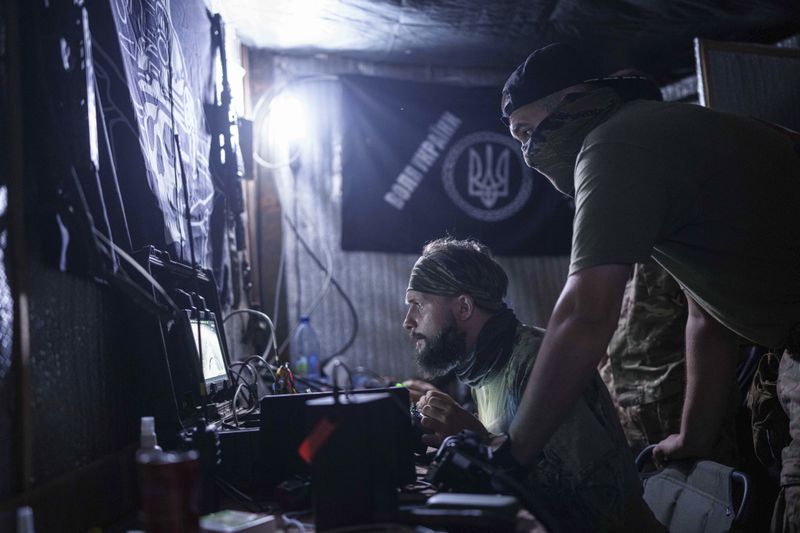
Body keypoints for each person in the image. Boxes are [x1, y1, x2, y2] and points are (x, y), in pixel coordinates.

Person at [499, 42, 800, 529]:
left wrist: (514, 454)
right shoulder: (656, 135)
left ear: (574, 99)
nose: (528, 150)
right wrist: (693, 439)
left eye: (528, 131)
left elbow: (584, 313)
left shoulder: (611, 143)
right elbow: (709, 316)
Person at [404, 237, 661, 531]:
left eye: (417, 304)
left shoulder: (537, 362)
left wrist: (479, 443)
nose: (407, 321)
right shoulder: (484, 369)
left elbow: (600, 500)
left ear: (463, 307)